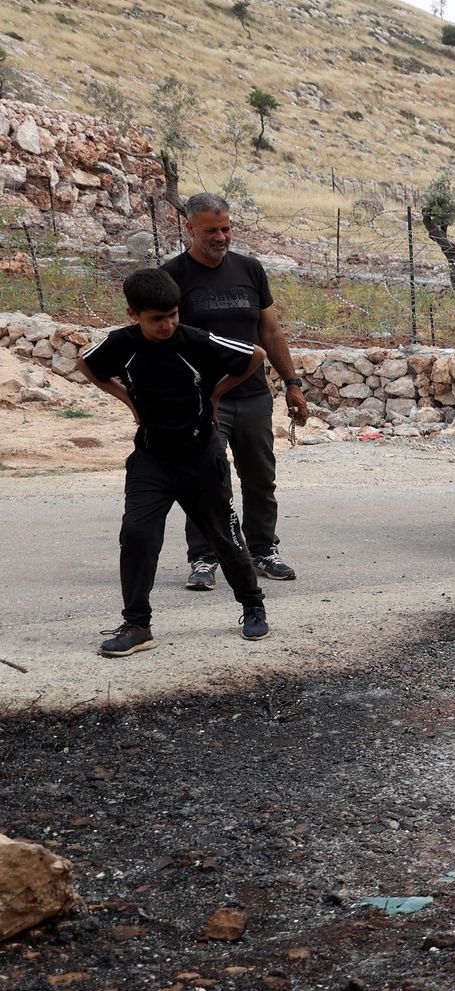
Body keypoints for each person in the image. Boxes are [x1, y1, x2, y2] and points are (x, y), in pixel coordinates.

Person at [77, 269, 271, 657]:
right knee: (136, 535)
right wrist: (129, 401)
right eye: (156, 319)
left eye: (173, 316)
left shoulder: (195, 341)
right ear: (134, 314)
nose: (167, 325)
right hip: (151, 459)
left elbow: (255, 356)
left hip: (200, 458)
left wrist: (215, 397)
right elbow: (87, 365)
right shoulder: (122, 343)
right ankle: (137, 625)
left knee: (224, 537)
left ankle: (252, 604)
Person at [163, 192, 307, 589]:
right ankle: (205, 557)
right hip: (202, 400)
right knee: (206, 479)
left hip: (253, 397)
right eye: (211, 230)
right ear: (190, 228)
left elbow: (270, 331)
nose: (221, 236)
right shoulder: (173, 275)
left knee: (260, 478)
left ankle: (263, 550)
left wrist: (292, 384)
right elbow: (162, 336)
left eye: (226, 228)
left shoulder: (251, 270)